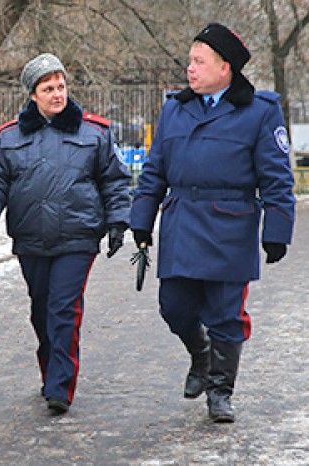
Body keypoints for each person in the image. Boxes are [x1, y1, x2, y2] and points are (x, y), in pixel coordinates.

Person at [130, 23, 295, 423]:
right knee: (174, 307)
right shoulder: (175, 108)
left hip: (229, 227)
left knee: (225, 314)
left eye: (199, 62)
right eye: (190, 60)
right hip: (182, 223)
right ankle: (200, 355)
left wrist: (277, 231)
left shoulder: (259, 111)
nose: (190, 69)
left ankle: (220, 391)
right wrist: (141, 220)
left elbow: (277, 178)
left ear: (226, 69)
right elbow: (154, 171)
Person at [0, 53, 131, 415]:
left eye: (61, 87)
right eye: (48, 88)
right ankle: (50, 369)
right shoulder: (8, 138)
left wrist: (118, 222)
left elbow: (115, 181)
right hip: (31, 238)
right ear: (33, 94)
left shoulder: (95, 133)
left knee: (63, 308)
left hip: (78, 237)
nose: (57, 94)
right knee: (41, 310)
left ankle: (61, 385)